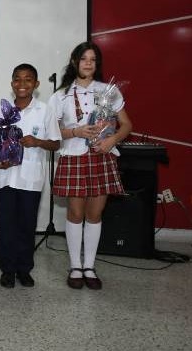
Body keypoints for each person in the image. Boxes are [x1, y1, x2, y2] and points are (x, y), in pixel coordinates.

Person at [48, 41, 132, 290]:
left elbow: (126, 124)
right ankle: (75, 266)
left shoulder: (109, 91)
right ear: (75, 62)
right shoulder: (60, 95)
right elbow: (53, 132)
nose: (88, 63)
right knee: (75, 214)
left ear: (97, 64)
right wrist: (76, 131)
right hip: (73, 157)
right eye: (83, 58)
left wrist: (112, 141)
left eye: (92, 59)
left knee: (95, 215)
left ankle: (90, 266)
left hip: (102, 156)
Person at [0, 64, 61, 288]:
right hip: (5, 177)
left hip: (31, 179)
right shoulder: (2, 109)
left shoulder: (44, 110)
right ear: (12, 83)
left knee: (26, 225)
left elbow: (55, 143)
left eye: (28, 80)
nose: (22, 84)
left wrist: (37, 142)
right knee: (5, 226)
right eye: (17, 80)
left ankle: (24, 269)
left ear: (36, 84)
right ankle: (7, 270)